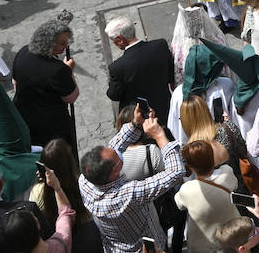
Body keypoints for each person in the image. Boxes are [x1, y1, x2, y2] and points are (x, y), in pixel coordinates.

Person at [78, 106, 186, 253]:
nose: (119, 151)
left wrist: (135, 124)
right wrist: (160, 136)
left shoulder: (85, 181)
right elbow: (176, 172)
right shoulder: (128, 195)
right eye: (118, 158)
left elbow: (114, 147)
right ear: (114, 172)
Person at [11, 20, 78, 149]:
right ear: (48, 44)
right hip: (51, 125)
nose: (66, 47)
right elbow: (71, 97)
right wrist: (69, 71)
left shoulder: (23, 51)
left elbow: (15, 82)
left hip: (24, 117)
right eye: (62, 43)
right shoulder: (58, 69)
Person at [103, 16, 175, 130]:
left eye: (114, 42)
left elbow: (114, 95)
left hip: (144, 118)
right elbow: (171, 74)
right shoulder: (160, 45)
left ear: (120, 39)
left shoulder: (117, 68)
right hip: (167, 106)